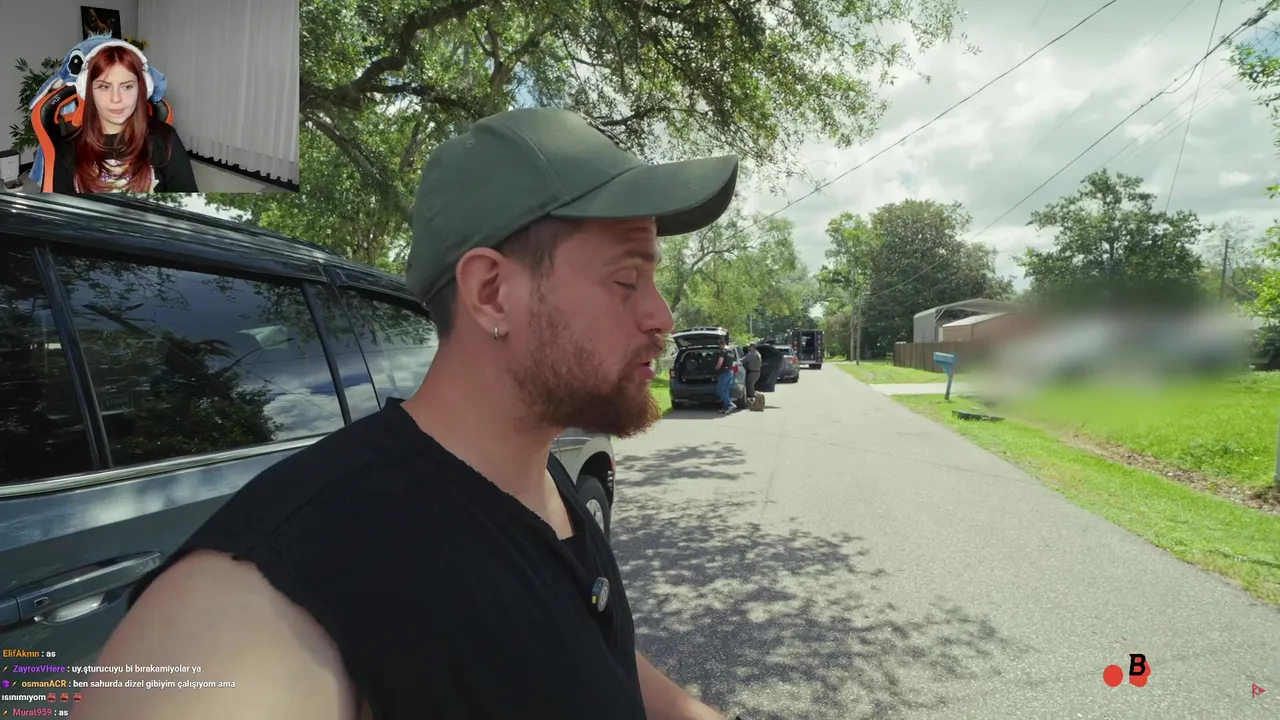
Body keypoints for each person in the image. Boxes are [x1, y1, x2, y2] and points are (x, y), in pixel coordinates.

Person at [73, 107, 743, 720]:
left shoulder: (540, 482)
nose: (662, 316)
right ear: (491, 292)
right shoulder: (282, 585)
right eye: (627, 279)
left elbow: (587, 654)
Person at [48, 43, 197, 193]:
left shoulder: (165, 139)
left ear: (141, 89)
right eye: (105, 87)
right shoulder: (68, 150)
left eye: (127, 87)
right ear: (89, 92)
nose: (116, 98)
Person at [713, 337, 736, 414]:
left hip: (724, 373)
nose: (719, 347)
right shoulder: (731, 351)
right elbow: (733, 362)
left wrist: (716, 368)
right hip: (730, 372)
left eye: (719, 345)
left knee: (720, 390)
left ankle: (731, 404)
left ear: (722, 344)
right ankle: (726, 408)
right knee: (726, 391)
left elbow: (720, 362)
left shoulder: (723, 351)